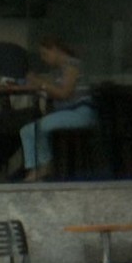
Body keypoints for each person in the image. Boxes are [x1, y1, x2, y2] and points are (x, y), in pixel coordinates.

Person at [19, 35, 96, 182]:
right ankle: (37, 167)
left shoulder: (72, 65)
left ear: (55, 50)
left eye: (45, 54)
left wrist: (41, 84)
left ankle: (43, 167)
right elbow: (51, 87)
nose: (44, 59)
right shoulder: (57, 71)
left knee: (38, 127)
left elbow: (64, 93)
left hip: (79, 112)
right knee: (29, 130)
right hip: (66, 113)